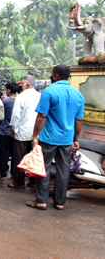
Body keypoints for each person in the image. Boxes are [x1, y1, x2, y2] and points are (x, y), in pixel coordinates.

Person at [27, 65, 84, 210]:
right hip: (66, 139)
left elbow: (42, 116)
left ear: (57, 76)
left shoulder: (49, 91)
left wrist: (35, 136)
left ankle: (41, 201)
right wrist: (75, 139)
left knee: (43, 168)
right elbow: (79, 121)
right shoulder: (78, 95)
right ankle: (60, 202)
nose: (51, 77)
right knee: (63, 170)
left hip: (48, 138)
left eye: (52, 74)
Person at [9, 75, 41, 188]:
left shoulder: (21, 97)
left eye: (20, 84)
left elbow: (15, 115)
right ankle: (33, 181)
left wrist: (12, 128)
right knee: (33, 156)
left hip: (22, 130)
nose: (19, 86)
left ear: (26, 84)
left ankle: (18, 181)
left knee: (19, 156)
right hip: (37, 132)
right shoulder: (40, 96)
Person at [0, 82, 18, 179]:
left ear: (8, 90)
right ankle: (14, 172)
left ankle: (3, 173)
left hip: (4, 130)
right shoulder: (19, 101)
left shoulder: (4, 102)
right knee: (15, 153)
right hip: (15, 131)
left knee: (3, 152)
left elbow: (0, 116)